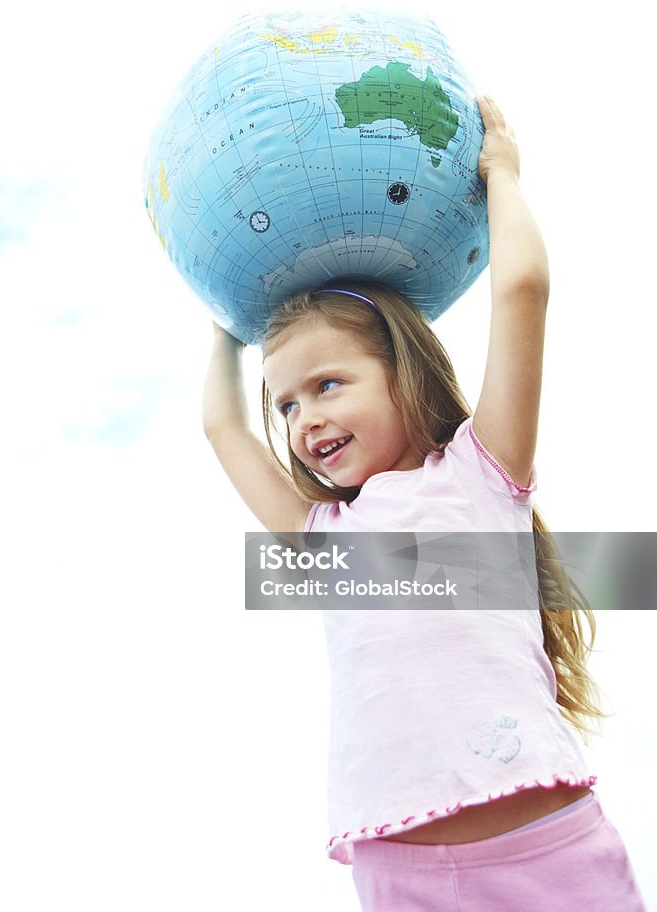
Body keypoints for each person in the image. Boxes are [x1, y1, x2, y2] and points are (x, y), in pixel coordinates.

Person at [202, 96, 647, 910]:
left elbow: (522, 287)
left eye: (329, 384)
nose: (306, 421)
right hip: (396, 869)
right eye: (290, 405)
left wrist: (502, 175)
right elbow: (221, 424)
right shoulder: (322, 537)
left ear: (403, 371)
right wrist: (228, 310)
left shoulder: (481, 472)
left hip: (542, 854)